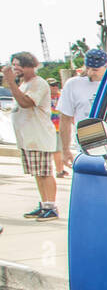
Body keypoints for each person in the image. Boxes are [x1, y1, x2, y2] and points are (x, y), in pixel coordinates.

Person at [2, 51, 59, 219]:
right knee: (37, 173)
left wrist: (11, 82)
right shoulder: (24, 84)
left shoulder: (38, 83)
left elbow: (26, 103)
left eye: (19, 65)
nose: (15, 68)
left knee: (44, 172)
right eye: (13, 65)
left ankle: (52, 206)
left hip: (38, 137)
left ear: (30, 66)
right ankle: (44, 204)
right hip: (28, 139)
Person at [57, 48, 107, 172]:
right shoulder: (73, 84)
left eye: (95, 70)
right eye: (88, 68)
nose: (90, 73)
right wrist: (65, 149)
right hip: (86, 143)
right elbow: (65, 119)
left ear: (106, 66)